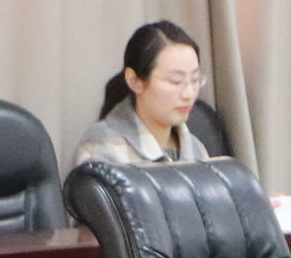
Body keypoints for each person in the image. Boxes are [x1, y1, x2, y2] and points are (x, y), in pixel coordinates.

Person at [75, 21, 216, 168]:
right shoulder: (104, 147)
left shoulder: (196, 149)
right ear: (134, 81)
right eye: (175, 81)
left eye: (195, 80)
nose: (189, 94)